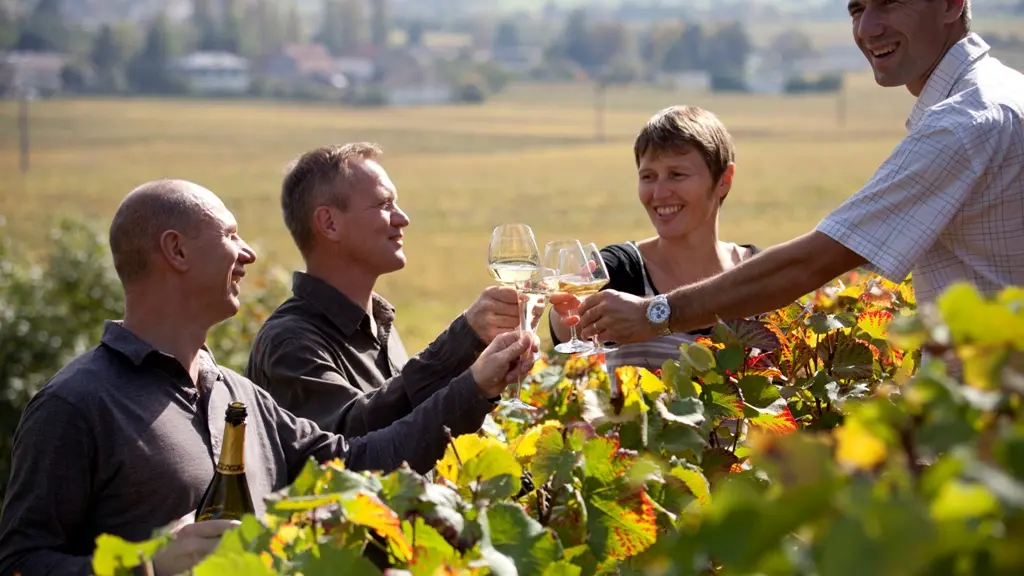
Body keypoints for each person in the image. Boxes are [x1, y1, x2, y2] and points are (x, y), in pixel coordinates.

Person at [0, 179, 538, 576]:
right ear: (177, 251)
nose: (249, 254)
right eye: (231, 235)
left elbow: (361, 463)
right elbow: (20, 563)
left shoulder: (236, 394)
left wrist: (476, 386)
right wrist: (149, 568)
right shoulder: (76, 406)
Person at [560, 0, 1024, 358]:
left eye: (890, 3)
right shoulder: (1005, 94)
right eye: (857, 9)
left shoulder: (962, 125)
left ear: (951, 4)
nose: (867, 29)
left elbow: (813, 263)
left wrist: (656, 313)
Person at [246, 142, 540, 436]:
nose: (402, 218)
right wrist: (463, 338)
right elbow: (352, 448)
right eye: (383, 205)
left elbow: (416, 427)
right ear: (330, 223)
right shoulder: (291, 342)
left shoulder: (377, 322)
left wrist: (482, 368)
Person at [547, 105, 760, 373]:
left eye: (677, 175)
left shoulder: (758, 273)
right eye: (648, 177)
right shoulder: (621, 268)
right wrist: (566, 316)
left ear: (723, 180)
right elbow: (567, 331)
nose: (659, 193)